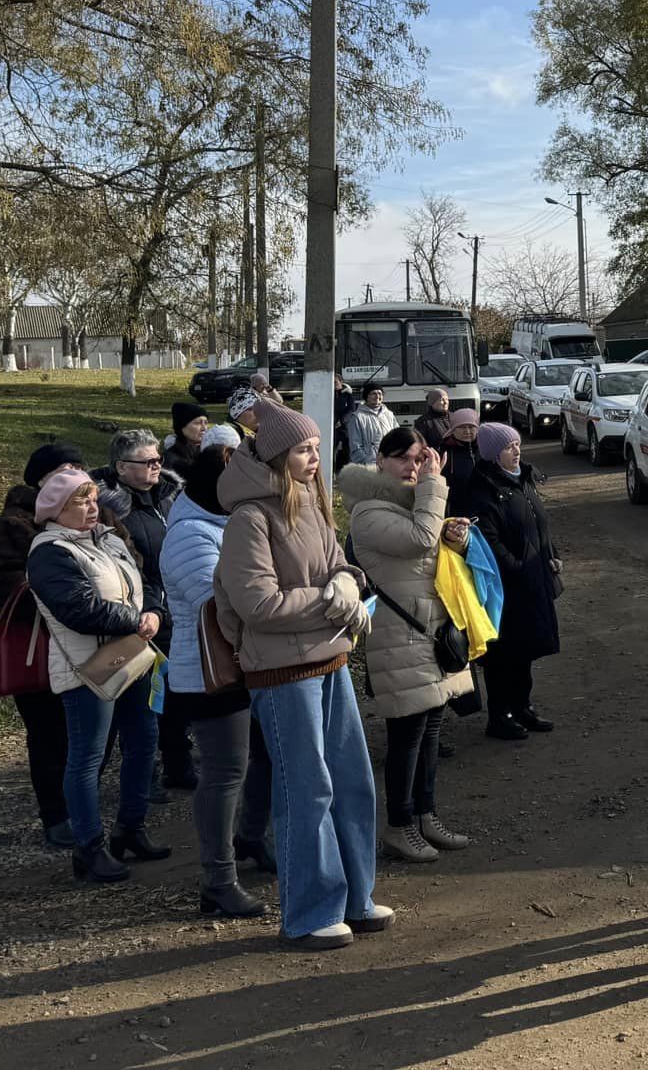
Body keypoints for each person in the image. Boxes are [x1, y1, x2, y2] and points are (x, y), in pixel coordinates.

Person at [213, 397, 387, 951]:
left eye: (316, 448)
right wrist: (331, 599)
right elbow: (257, 603)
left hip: (330, 659)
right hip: (283, 673)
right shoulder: (249, 517)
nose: (315, 458)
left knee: (351, 783)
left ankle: (355, 898)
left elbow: (339, 562)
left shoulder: (312, 503)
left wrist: (348, 581)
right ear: (276, 455)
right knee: (306, 789)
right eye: (304, 450)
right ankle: (309, 914)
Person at [337, 427, 475, 865]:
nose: (413, 469)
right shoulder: (367, 511)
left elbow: (429, 547)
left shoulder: (409, 505)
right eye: (404, 460)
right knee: (406, 737)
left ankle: (425, 815)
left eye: (420, 460)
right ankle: (399, 826)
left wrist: (456, 536)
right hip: (400, 636)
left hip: (428, 633)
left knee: (432, 729)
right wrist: (435, 487)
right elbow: (417, 539)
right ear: (380, 460)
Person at [26, 468, 169, 885]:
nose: (92, 508)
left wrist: (155, 612)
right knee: (87, 757)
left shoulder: (107, 538)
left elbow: (146, 580)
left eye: (93, 499)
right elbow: (77, 608)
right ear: (56, 508)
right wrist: (136, 620)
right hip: (85, 667)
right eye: (81, 501)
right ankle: (88, 847)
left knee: (144, 741)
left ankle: (131, 827)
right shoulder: (49, 552)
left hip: (133, 656)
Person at [159, 443, 273, 918]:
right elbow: (221, 602)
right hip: (208, 672)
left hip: (249, 662)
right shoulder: (188, 534)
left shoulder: (225, 523)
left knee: (263, 757)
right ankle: (218, 878)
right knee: (225, 771)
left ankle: (250, 838)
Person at [0, 441, 88, 849]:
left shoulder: (93, 514)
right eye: (64, 469)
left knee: (91, 734)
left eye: (78, 468)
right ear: (41, 480)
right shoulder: (14, 525)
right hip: (42, 647)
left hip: (92, 643)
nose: (74, 476)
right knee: (49, 735)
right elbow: (3, 586)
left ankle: (84, 808)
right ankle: (57, 815)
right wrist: (65, 602)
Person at [96, 429, 192, 791]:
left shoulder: (168, 497)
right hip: (140, 614)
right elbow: (127, 566)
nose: (156, 466)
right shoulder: (110, 509)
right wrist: (150, 606)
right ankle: (142, 775)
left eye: (158, 460)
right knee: (144, 702)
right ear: (121, 467)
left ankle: (177, 762)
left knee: (177, 695)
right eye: (146, 461)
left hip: (175, 607)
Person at [465, 422, 563, 742]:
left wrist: (551, 554)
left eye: (518, 444)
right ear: (494, 455)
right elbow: (488, 540)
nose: (517, 451)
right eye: (509, 447)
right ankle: (501, 715)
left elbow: (538, 524)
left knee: (527, 650)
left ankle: (523, 706)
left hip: (534, 580)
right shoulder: (483, 490)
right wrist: (519, 567)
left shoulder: (524, 480)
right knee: (503, 654)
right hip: (506, 588)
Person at [342, 385, 397, 469]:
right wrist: (368, 462)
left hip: (389, 464)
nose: (377, 396)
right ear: (366, 397)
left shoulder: (389, 414)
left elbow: (398, 437)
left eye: (380, 393)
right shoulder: (357, 417)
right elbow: (355, 446)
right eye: (373, 393)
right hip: (368, 466)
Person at [162, 403, 210, 480]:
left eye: (206, 423)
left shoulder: (209, 453)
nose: (204, 428)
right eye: (198, 423)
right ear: (181, 427)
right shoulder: (169, 460)